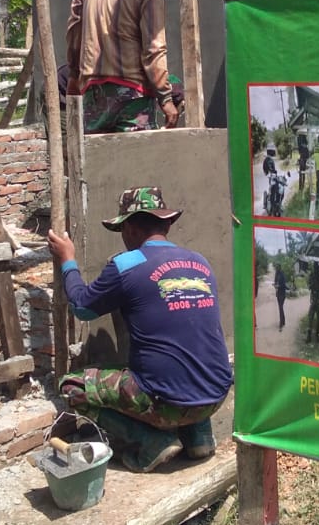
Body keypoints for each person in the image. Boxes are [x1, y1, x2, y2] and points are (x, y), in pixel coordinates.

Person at [47, 186, 233, 473]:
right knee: (186, 360)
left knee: (72, 386)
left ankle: (150, 442)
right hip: (217, 394)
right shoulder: (200, 262)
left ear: (130, 228)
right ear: (168, 223)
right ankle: (200, 438)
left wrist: (67, 259)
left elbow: (82, 307)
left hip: (166, 403)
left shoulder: (127, 264)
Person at [65, 0, 181, 133]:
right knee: (137, 160)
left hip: (93, 93)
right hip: (132, 96)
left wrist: (74, 76)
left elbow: (74, 32)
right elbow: (154, 48)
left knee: (97, 159)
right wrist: (166, 98)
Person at [307, 262, 319, 343]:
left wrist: (317, 288)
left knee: (318, 318)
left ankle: (317, 335)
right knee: (310, 317)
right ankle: (309, 336)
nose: (316, 269)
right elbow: (309, 287)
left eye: (317, 267)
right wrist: (312, 285)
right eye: (315, 267)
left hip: (317, 298)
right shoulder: (312, 276)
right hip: (313, 298)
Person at [274, 264, 288, 331]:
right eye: (276, 268)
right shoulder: (276, 274)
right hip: (278, 293)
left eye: (278, 267)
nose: (277, 269)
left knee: (280, 307)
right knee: (280, 307)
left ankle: (281, 323)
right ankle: (283, 321)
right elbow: (275, 282)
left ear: (280, 267)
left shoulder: (282, 274)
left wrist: (279, 286)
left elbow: (284, 284)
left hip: (282, 293)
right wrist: (275, 285)